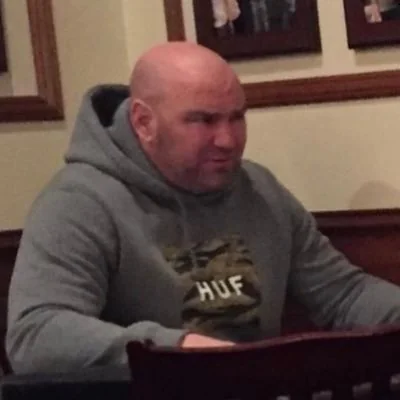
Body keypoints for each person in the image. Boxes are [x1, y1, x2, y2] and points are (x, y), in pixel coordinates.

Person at [6, 41, 400, 374]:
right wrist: (180, 349)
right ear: (144, 122)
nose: (227, 140)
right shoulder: (80, 201)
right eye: (204, 121)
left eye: (236, 118)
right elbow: (35, 335)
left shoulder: (260, 189)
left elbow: (345, 295)